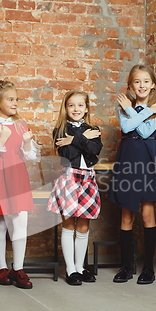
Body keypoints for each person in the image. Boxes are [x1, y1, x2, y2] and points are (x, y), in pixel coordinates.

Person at [108, 64, 156, 284]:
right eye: (137, 82)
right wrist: (143, 112)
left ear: (152, 84)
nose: (141, 85)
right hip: (128, 159)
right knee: (127, 215)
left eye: (146, 81)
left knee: (147, 214)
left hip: (146, 159)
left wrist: (147, 111)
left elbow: (144, 131)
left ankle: (149, 269)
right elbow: (127, 129)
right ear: (131, 85)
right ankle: (125, 266)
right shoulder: (124, 105)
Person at [0, 80, 40, 289]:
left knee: (20, 222)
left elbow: (30, 156)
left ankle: (18, 268)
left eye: (16, 99)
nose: (15, 103)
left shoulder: (21, 125)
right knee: (0, 224)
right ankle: (2, 267)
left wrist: (28, 141)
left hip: (17, 177)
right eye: (10, 99)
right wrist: (1, 139)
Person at [47, 91, 103, 286]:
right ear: (65, 108)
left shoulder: (93, 129)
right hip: (69, 178)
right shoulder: (60, 131)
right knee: (69, 223)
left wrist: (75, 139)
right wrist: (81, 138)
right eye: (71, 105)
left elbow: (94, 151)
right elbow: (68, 154)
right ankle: (71, 270)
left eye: (80, 105)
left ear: (86, 109)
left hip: (88, 179)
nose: (76, 109)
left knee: (84, 225)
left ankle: (80, 267)